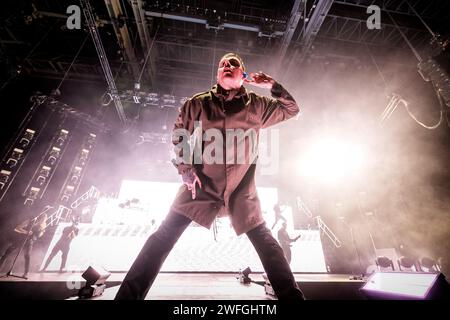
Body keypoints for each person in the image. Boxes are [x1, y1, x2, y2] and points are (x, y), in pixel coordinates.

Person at [115, 52, 305, 300]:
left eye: (233, 64)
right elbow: (179, 132)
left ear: (244, 75)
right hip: (200, 186)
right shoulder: (198, 103)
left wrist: (272, 85)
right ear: (218, 74)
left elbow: (292, 109)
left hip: (241, 191)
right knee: (161, 239)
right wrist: (186, 169)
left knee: (268, 245)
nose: (227, 65)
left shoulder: (258, 106)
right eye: (222, 64)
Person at [0, 213, 47, 278]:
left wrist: (40, 233)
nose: (42, 220)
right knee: (7, 253)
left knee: (27, 256)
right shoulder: (30, 221)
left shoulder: (42, 226)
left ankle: (26, 273)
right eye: (42, 218)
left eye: (44, 219)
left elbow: (38, 236)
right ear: (39, 217)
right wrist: (26, 232)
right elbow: (16, 228)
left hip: (29, 241)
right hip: (19, 239)